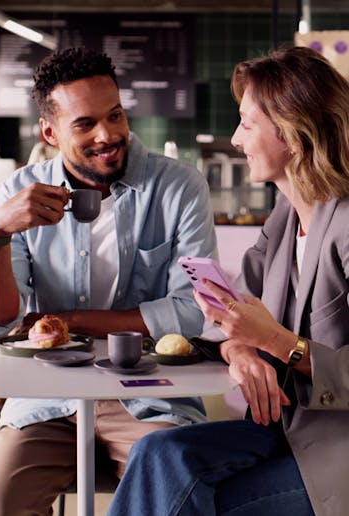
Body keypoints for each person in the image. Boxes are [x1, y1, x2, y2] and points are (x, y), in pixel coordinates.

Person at [107, 45, 349, 516]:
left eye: (246, 123)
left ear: (294, 134)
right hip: (286, 433)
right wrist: (238, 346)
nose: (235, 139)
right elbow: (238, 317)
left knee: (191, 501)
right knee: (157, 453)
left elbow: (271, 334)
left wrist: (280, 344)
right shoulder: (283, 220)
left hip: (336, 446)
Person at [0, 47, 217, 516]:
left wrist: (68, 322)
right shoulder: (18, 191)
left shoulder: (179, 187)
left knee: (173, 493)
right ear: (50, 133)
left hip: (151, 395)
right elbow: (2, 323)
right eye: (85, 124)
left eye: (115, 115)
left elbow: (193, 310)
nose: (108, 135)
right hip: (45, 396)